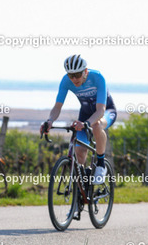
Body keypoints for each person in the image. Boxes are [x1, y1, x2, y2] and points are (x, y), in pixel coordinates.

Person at [41, 55, 117, 187]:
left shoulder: (98, 77)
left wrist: (87, 123)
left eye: (77, 75)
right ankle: (83, 187)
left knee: (97, 125)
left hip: (106, 112)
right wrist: (50, 121)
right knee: (80, 153)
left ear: (85, 71)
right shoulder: (66, 81)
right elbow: (57, 106)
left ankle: (101, 164)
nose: (74, 79)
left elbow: (100, 110)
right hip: (85, 114)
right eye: (71, 75)